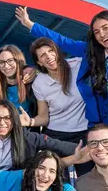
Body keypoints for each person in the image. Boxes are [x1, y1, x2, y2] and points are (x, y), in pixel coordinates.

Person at [16, 7, 108, 163]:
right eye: (96, 32)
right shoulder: (90, 53)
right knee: (102, 175)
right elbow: (61, 41)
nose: (102, 34)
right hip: (100, 128)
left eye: (105, 28)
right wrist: (29, 24)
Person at [24, 37, 91, 177]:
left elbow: (104, 65)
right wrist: (29, 121)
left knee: (88, 177)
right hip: (56, 135)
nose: (48, 56)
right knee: (56, 177)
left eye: (50, 51)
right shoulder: (39, 83)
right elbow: (43, 117)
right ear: (38, 62)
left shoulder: (77, 65)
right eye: (42, 55)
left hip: (83, 132)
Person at [0, 99, 88, 172]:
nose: (2, 123)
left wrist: (91, 148)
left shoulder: (27, 138)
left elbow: (58, 145)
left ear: (14, 119)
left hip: (16, 185)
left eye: (7, 118)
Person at [0, 44, 36, 116]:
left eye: (10, 61)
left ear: (18, 61)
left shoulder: (30, 83)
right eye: (2, 62)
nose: (6, 66)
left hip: (26, 126)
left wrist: (36, 70)